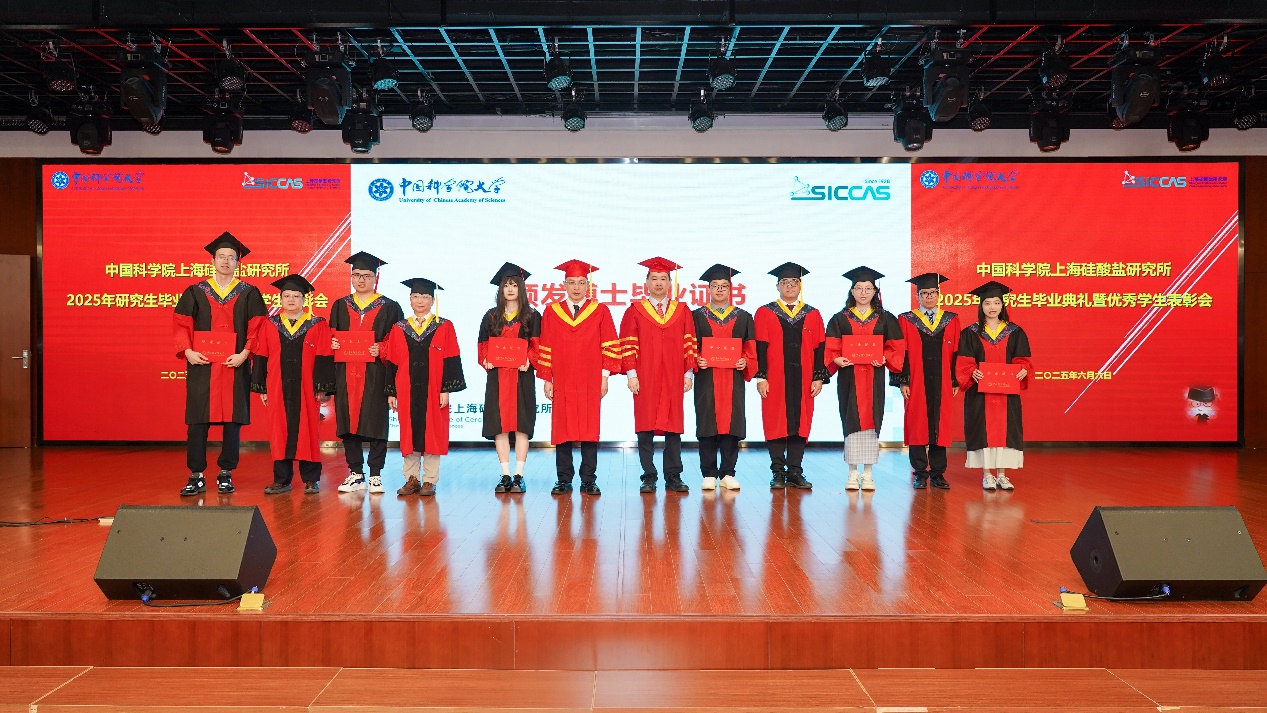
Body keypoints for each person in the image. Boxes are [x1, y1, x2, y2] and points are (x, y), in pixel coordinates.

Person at [173, 231, 267, 496]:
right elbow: (181, 324)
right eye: (221, 256)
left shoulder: (249, 293)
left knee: (232, 421)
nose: (226, 261)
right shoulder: (195, 291)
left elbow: (258, 327)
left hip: (234, 364)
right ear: (212, 260)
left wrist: (245, 353)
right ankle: (196, 474)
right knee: (197, 420)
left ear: (238, 262)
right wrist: (188, 351)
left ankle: (226, 472)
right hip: (201, 365)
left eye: (231, 257)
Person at [536, 259, 622, 496]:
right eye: (572, 282)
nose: (576, 287)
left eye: (581, 282)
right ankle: (563, 479)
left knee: (589, 428)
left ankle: (588, 480)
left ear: (588, 285)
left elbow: (609, 344)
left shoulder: (600, 311)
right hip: (562, 378)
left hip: (590, 378)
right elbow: (546, 345)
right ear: (564, 284)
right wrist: (547, 378)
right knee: (562, 429)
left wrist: (604, 377)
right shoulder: (552, 312)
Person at [380, 278, 467, 497]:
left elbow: (451, 358)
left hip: (434, 388)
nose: (420, 301)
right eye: (416, 296)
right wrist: (391, 391)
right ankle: (411, 478)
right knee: (409, 431)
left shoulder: (444, 326)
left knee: (433, 431)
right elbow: (392, 361)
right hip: (406, 388)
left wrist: (446, 388)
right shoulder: (399, 328)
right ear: (410, 299)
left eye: (425, 297)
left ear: (432, 300)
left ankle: (429, 479)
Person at [620, 256, 698, 494]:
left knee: (673, 426)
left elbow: (689, 342)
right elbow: (628, 343)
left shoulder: (682, 310)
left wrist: (688, 373)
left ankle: (673, 475)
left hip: (673, 375)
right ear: (646, 282)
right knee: (645, 426)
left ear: (670, 283)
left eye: (663, 279)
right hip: (645, 375)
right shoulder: (635, 310)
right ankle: (648, 475)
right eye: (654, 278)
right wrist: (631, 374)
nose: (659, 283)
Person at [251, 275, 335, 495]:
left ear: (304, 300)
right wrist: (262, 386)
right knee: (279, 431)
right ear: (280, 299)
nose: (290, 300)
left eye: (296, 296)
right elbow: (261, 355)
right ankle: (282, 480)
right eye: (286, 296)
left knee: (309, 430)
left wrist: (322, 386)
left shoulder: (317, 324)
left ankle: (311, 479)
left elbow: (324, 355)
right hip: (277, 385)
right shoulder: (270, 324)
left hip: (307, 387)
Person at [330, 252, 404, 495]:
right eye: (356, 275)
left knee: (376, 422)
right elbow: (331, 335)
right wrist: (333, 343)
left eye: (366, 275)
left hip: (376, 373)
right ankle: (355, 473)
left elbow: (398, 342)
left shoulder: (390, 307)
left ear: (375, 277)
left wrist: (381, 348)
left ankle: (375, 474)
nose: (361, 279)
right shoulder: (340, 305)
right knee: (347, 423)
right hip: (346, 373)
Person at [824, 266, 905, 492]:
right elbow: (831, 347)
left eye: (868, 288)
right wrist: (836, 359)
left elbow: (896, 347)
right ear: (852, 291)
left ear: (875, 292)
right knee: (850, 419)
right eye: (859, 288)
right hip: (849, 378)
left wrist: (884, 357)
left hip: (873, 377)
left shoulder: (885, 318)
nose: (863, 293)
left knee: (872, 420)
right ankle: (852, 473)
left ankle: (868, 473)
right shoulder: (840, 318)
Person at [753, 263, 828, 490]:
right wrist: (761, 377)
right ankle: (777, 471)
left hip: (804, 378)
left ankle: (795, 471)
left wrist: (818, 377)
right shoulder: (765, 312)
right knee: (775, 421)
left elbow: (820, 348)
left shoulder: (813, 314)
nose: (790, 286)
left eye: (794, 282)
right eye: (785, 282)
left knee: (800, 423)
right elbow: (759, 347)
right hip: (775, 378)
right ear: (777, 286)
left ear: (800, 286)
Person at [955, 281, 1033, 491]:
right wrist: (972, 371)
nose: (992, 307)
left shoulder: (1015, 332)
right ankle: (987, 474)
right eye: (987, 303)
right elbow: (964, 362)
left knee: (1005, 431)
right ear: (981, 306)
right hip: (980, 393)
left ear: (1002, 305)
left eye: (997, 302)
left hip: (1006, 394)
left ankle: (1002, 475)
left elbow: (1023, 360)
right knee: (983, 430)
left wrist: (1023, 369)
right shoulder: (970, 332)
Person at [893, 272, 961, 490]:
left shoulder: (951, 319)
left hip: (942, 381)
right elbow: (900, 352)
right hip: (916, 381)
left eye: (933, 292)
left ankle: (938, 474)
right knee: (917, 424)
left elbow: (957, 352)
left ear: (939, 295)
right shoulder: (906, 319)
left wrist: (955, 380)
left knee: (940, 425)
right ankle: (920, 473)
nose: (929, 296)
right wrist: (903, 380)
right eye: (924, 293)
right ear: (917, 296)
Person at [477, 262, 541, 494]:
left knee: (522, 425)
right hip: (498, 376)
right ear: (501, 289)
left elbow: (537, 345)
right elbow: (483, 345)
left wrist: (529, 360)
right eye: (506, 285)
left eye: (514, 285)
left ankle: (519, 475)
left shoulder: (532, 316)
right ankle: (505, 474)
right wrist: (486, 359)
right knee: (500, 425)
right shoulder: (491, 316)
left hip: (522, 377)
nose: (510, 289)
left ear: (521, 288)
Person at [693, 264, 756, 492]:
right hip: (707, 378)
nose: (719, 289)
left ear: (731, 289)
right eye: (715, 286)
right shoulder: (696, 316)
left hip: (732, 378)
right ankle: (709, 473)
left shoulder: (744, 317)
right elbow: (689, 347)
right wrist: (697, 359)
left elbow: (750, 349)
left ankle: (728, 473)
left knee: (732, 424)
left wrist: (745, 361)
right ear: (708, 289)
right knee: (707, 422)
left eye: (724, 286)